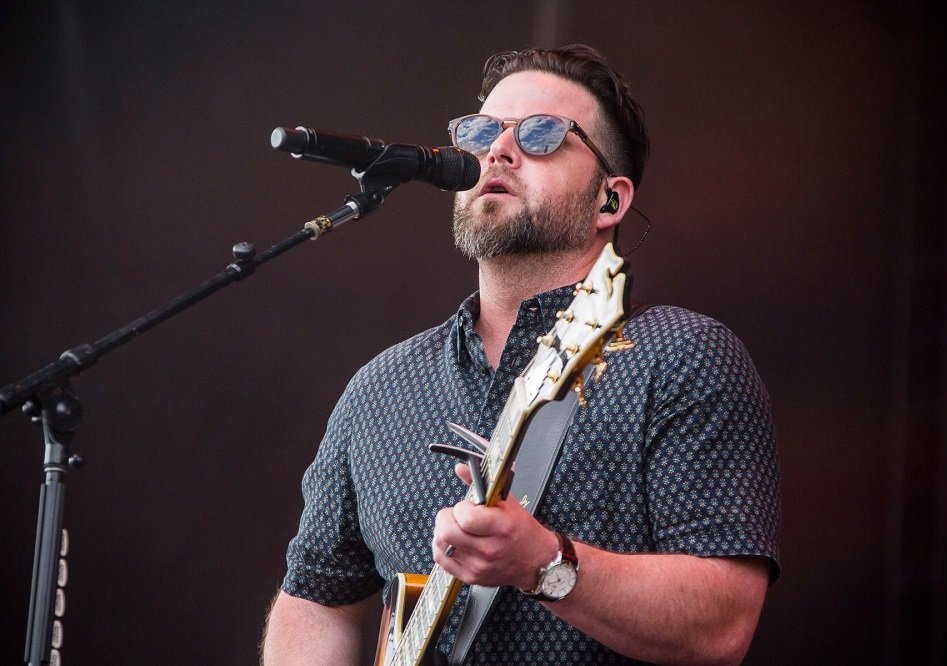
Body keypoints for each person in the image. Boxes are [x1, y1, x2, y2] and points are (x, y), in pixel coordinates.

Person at [261, 44, 780, 665]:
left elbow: (721, 623)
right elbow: (315, 596)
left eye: (540, 134)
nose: (497, 151)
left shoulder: (681, 356)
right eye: (481, 132)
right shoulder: (381, 387)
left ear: (609, 202)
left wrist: (545, 565)